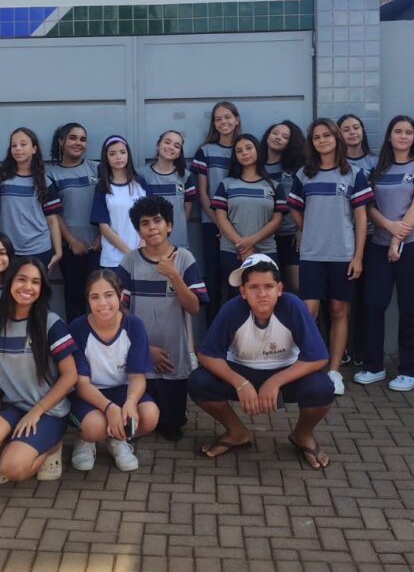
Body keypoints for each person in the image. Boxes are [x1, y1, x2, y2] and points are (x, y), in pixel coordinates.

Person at [187, 254, 334, 469]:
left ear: (280, 288)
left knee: (322, 388)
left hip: (285, 372)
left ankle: (302, 435)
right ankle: (236, 432)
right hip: (242, 370)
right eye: (254, 287)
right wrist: (240, 383)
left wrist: (275, 382)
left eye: (268, 286)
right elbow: (207, 354)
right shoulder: (232, 309)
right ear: (243, 291)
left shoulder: (293, 307)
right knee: (198, 381)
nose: (262, 294)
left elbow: (319, 357)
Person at [0, 258, 78, 483]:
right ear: (9, 283)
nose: (28, 287)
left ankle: (51, 448)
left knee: (14, 469)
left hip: (47, 411)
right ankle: (16, 449)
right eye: (22, 279)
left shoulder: (51, 324)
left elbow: (70, 376)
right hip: (12, 408)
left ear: (42, 289)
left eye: (35, 282)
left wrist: (36, 412)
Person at [288, 118, 373, 398]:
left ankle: (334, 372)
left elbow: (361, 218)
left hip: (343, 255)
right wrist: (309, 229)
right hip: (312, 254)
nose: (322, 140)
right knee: (308, 312)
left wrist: (358, 256)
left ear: (337, 138)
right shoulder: (304, 175)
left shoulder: (354, 174)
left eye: (327, 135)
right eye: (316, 137)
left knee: (339, 312)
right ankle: (307, 367)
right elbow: (296, 211)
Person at [355, 116, 414, 392]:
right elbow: (368, 207)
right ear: (389, 136)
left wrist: (397, 240)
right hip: (379, 244)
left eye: (409, 132)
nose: (403, 136)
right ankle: (374, 366)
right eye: (398, 131)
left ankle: (409, 370)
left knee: (409, 305)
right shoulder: (378, 170)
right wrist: (389, 229)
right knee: (374, 304)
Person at [115, 196, 207, 441]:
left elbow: (195, 307)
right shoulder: (130, 261)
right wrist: (146, 349)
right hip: (141, 356)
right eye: (145, 223)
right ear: (139, 230)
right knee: (143, 422)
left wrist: (174, 276)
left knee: (171, 426)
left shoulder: (185, 258)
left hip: (173, 357)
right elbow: (118, 311)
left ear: (169, 225)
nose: (152, 227)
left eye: (157, 221)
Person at [68, 270, 157, 472]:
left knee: (149, 415)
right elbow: (81, 384)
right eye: (95, 297)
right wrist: (110, 408)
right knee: (95, 427)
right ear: (88, 300)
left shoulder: (134, 325)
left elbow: (137, 376)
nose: (102, 303)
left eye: (108, 295)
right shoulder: (78, 328)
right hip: (89, 394)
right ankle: (85, 440)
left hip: (122, 390)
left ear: (120, 296)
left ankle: (118, 440)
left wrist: (131, 402)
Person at [211, 134, 287, 303]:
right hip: (232, 251)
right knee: (236, 299)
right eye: (239, 151)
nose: (244, 153)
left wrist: (251, 241)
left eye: (248, 148)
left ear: (258, 151)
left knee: (265, 299)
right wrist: (242, 245)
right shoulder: (227, 184)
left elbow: (276, 220)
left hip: (265, 250)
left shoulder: (274, 186)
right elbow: (221, 217)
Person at [191, 101, 241, 322]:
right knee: (212, 281)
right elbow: (202, 194)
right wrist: (221, 224)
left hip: (240, 226)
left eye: (228, 117)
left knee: (236, 281)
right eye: (218, 118)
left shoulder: (245, 148)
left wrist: (229, 227)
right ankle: (212, 337)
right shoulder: (205, 151)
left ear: (236, 119)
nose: (223, 122)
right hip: (212, 224)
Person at [46, 123, 100, 320]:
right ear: (61, 141)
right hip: (71, 250)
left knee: (100, 297)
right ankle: (76, 347)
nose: (78, 143)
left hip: (100, 247)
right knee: (75, 300)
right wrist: (71, 241)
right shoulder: (51, 174)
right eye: (73, 138)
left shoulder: (97, 168)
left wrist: (102, 236)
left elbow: (110, 203)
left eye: (83, 139)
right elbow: (52, 213)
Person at [0, 128, 63, 271]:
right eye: (14, 145)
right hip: (7, 250)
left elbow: (53, 221)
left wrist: (58, 251)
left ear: (34, 149)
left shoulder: (45, 182)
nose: (18, 149)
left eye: (23, 144)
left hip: (40, 249)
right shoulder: (1, 179)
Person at [337, 113, 377, 367]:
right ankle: (341, 350)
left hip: (372, 236)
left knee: (367, 297)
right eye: (346, 129)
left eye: (356, 127)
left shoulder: (376, 162)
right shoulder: (334, 163)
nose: (352, 132)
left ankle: (362, 349)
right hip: (340, 239)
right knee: (340, 300)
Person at [262, 121, 307, 294]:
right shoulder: (256, 166)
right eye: (275, 133)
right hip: (263, 237)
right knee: (269, 288)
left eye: (285, 136)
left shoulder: (296, 168)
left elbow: (306, 200)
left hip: (290, 235)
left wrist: (301, 228)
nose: (278, 138)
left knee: (296, 286)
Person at [90, 135, 147, 270]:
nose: (118, 157)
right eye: (112, 153)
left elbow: (150, 217)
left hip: (143, 255)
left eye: (122, 152)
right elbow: (104, 228)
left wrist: (143, 246)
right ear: (106, 158)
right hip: (113, 260)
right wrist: (130, 254)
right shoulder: (103, 187)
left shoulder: (140, 183)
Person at [139, 129, 195, 252]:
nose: (171, 147)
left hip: (177, 242)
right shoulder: (142, 175)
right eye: (167, 142)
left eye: (176, 146)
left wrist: (178, 226)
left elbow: (188, 207)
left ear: (179, 152)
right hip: (149, 243)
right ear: (158, 145)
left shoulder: (185, 176)